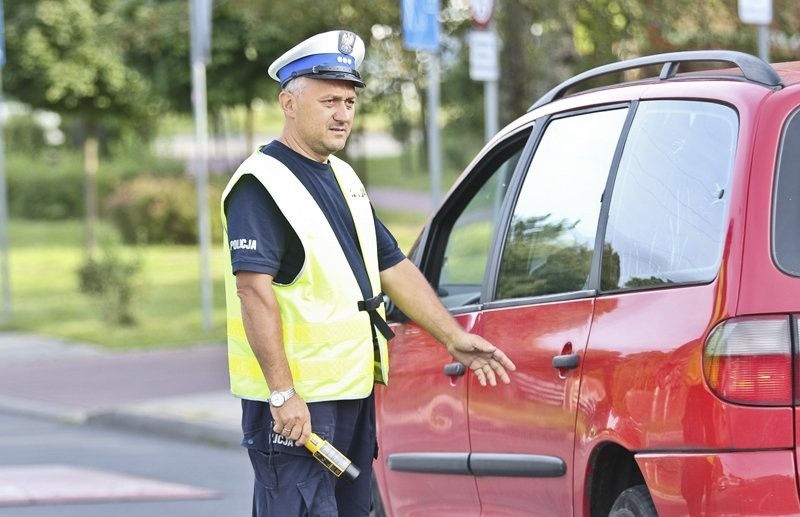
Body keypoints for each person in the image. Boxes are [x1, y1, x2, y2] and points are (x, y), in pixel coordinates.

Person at [220, 29, 516, 517]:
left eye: (349, 101)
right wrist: (283, 393)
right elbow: (254, 294)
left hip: (350, 398)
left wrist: (451, 335)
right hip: (298, 409)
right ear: (288, 103)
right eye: (328, 101)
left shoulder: (342, 176)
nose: (342, 114)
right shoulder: (261, 183)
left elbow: (390, 264)